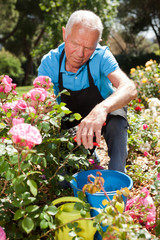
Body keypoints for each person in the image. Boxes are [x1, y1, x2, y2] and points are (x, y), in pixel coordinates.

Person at [38, 10, 137, 173]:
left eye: (89, 48)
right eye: (75, 44)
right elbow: (42, 105)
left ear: (97, 43)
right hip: (72, 123)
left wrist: (102, 109)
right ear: (64, 34)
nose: (80, 54)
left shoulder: (102, 56)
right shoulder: (50, 63)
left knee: (117, 121)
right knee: (64, 180)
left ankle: (118, 175)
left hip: (105, 117)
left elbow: (129, 88)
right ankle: (89, 156)